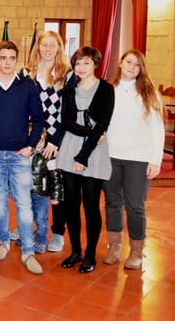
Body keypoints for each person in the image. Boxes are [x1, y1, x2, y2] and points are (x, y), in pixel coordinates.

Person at [0, 41, 46, 275]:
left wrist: (31, 145)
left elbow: (39, 119)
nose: (7, 62)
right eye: (3, 58)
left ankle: (28, 251)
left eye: (11, 58)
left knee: (23, 202)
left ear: (16, 60)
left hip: (19, 155)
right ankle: (3, 241)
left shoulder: (27, 87)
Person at [103, 50, 164, 270]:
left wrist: (155, 160)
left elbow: (158, 128)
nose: (132, 67)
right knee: (112, 202)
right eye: (129, 62)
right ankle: (114, 245)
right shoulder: (108, 89)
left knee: (135, 206)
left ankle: (137, 251)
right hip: (111, 155)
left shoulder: (149, 93)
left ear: (141, 69)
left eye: (137, 64)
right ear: (120, 63)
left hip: (138, 158)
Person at [57, 46, 115, 274]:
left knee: (91, 205)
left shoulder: (106, 89)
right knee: (71, 204)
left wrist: (83, 156)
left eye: (86, 63)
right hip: (70, 148)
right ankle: (76, 251)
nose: (81, 68)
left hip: (94, 152)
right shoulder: (69, 89)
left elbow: (103, 124)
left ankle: (90, 254)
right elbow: (66, 122)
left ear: (95, 64)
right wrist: (90, 132)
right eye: (78, 63)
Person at [14, 31, 72, 253]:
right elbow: (21, 107)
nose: (47, 49)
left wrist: (54, 141)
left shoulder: (67, 75)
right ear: (37, 47)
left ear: (59, 48)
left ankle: (57, 233)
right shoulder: (26, 73)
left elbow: (68, 113)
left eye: (52, 45)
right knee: (28, 184)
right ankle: (25, 225)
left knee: (57, 186)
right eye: (44, 45)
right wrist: (32, 136)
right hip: (33, 138)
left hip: (58, 140)